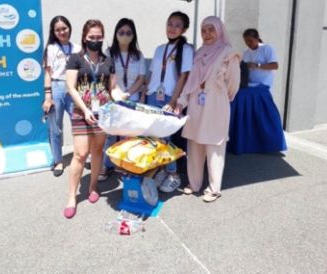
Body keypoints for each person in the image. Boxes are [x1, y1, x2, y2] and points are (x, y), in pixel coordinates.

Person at [64, 19, 126, 219]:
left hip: (103, 114)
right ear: (84, 37)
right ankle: (72, 197)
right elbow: (71, 87)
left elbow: (112, 88)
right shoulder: (75, 59)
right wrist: (85, 109)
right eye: (92, 37)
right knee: (80, 154)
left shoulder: (108, 61)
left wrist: (122, 98)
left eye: (99, 37)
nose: (95, 40)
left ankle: (92, 187)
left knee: (98, 150)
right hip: (82, 113)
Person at [175, 16, 240, 203]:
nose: (207, 34)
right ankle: (194, 184)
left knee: (214, 146)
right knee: (194, 145)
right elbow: (190, 82)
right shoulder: (199, 52)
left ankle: (213, 187)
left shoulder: (228, 52)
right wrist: (181, 102)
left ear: (219, 30)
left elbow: (233, 84)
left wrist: (217, 96)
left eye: (211, 29)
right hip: (196, 104)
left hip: (216, 105)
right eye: (203, 30)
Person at [141, 11, 193, 193]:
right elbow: (152, 74)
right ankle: (160, 171)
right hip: (153, 96)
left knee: (167, 137)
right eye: (170, 24)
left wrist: (173, 101)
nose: (172, 28)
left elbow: (183, 77)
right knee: (154, 137)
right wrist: (144, 93)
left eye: (177, 25)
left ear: (184, 29)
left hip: (170, 98)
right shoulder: (159, 49)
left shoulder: (186, 50)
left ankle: (173, 173)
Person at [99, 18, 146, 181]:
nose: (125, 35)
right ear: (116, 34)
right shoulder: (109, 52)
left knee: (129, 134)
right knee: (111, 134)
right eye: (121, 32)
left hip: (132, 98)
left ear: (133, 35)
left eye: (128, 33)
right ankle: (107, 165)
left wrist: (128, 93)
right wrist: (118, 93)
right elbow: (107, 76)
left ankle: (127, 165)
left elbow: (141, 78)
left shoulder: (138, 55)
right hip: (113, 96)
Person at [42, 16, 81, 177]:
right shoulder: (51, 48)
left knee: (79, 125)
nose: (61, 32)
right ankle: (58, 161)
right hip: (57, 87)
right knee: (55, 128)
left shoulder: (77, 48)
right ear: (53, 32)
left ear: (69, 28)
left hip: (74, 89)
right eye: (58, 29)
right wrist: (48, 96)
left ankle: (81, 155)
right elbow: (48, 74)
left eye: (64, 28)